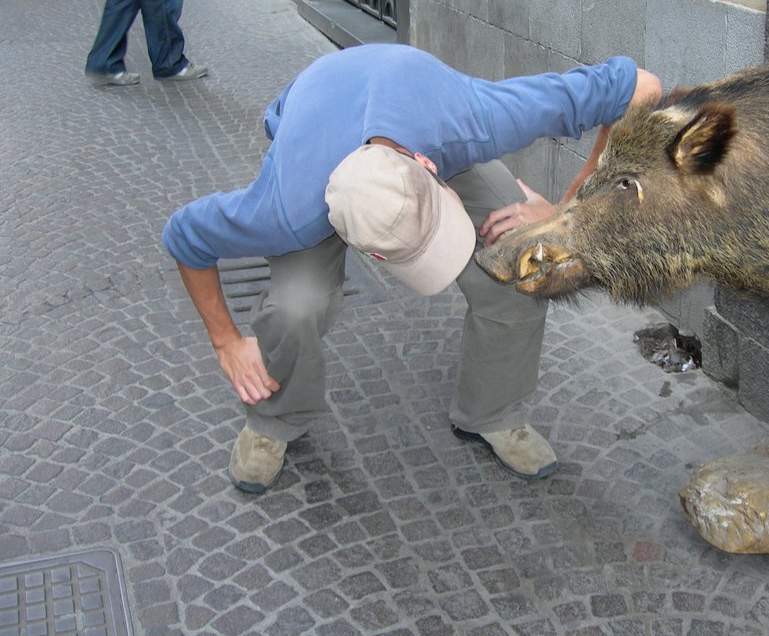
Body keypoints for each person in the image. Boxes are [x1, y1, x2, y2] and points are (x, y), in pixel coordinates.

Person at [163, 43, 662, 493]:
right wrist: (226, 343)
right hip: (314, 132)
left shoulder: (477, 120)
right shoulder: (282, 212)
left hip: (418, 105)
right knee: (296, 307)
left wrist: (562, 211)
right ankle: (274, 420)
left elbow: (643, 87)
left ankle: (493, 411)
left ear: (429, 167)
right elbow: (183, 236)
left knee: (522, 259)